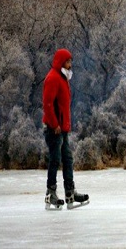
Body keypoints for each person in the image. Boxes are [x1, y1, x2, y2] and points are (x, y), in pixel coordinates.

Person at [43, 48, 89, 210]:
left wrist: (64, 126)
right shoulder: (53, 78)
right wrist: (54, 124)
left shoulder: (63, 78)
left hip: (62, 128)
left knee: (67, 160)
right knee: (55, 160)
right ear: (61, 62)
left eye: (71, 61)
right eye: (68, 61)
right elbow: (48, 105)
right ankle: (51, 194)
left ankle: (70, 193)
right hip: (54, 129)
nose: (70, 64)